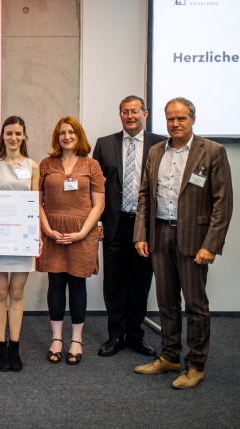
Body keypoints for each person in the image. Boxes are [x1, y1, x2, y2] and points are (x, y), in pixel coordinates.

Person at [133, 97, 233, 389]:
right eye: (170, 118)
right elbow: (144, 195)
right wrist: (141, 233)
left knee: (196, 304)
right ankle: (169, 356)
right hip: (160, 233)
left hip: (194, 238)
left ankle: (195, 365)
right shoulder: (156, 151)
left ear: (193, 120)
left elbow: (222, 202)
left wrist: (211, 244)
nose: (175, 123)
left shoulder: (212, 151)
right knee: (166, 301)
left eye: (181, 118)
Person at [93, 96, 166, 358]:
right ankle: (116, 335)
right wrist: (98, 221)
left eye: (135, 111)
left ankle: (135, 334)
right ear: (120, 115)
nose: (130, 116)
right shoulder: (104, 144)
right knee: (114, 282)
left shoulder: (161, 144)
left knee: (140, 281)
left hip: (145, 225)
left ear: (145, 114)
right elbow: (95, 186)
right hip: (114, 223)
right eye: (125, 112)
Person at [38, 116, 105, 366]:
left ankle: (76, 340)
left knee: (77, 285)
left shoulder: (92, 165)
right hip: (52, 232)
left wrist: (82, 233)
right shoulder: (46, 164)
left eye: (71, 132)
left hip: (82, 233)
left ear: (79, 135)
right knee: (55, 284)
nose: (67, 137)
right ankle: (56, 338)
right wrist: (47, 230)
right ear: (57, 137)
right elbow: (36, 200)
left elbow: (99, 205)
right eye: (62, 133)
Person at [0, 116, 39, 372]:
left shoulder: (33, 166)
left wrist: (36, 236)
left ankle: (14, 346)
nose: (13, 138)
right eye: (9, 133)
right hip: (0, 235)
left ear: (24, 135)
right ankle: (1, 346)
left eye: (18, 133)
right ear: (3, 136)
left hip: (23, 238)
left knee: (17, 293)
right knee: (0, 292)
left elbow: (35, 203)